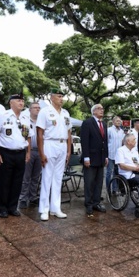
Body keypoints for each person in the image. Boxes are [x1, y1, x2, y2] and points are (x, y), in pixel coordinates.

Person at [0, 92, 31, 218]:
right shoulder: (3, 115)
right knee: (4, 181)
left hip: (20, 153)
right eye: (18, 100)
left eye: (22, 101)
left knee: (17, 182)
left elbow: (29, 136)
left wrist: (28, 152)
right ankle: (2, 208)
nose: (21, 103)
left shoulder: (26, 117)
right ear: (11, 102)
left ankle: (13, 207)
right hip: (5, 153)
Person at [36, 88, 72, 221]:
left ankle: (55, 208)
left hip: (62, 145)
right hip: (49, 144)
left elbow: (69, 133)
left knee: (58, 178)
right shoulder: (45, 111)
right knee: (47, 177)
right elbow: (39, 132)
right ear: (51, 98)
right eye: (59, 96)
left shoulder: (66, 113)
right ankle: (44, 209)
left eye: (62, 96)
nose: (61, 99)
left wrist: (69, 151)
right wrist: (41, 152)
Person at [80, 104, 108, 216]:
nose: (102, 110)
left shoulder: (104, 124)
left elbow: (104, 141)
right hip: (90, 158)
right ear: (93, 111)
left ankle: (97, 202)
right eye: (99, 109)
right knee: (89, 182)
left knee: (99, 182)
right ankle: (89, 204)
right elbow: (84, 141)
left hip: (101, 158)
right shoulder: (87, 123)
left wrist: (106, 156)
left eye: (102, 108)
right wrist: (86, 157)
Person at [19, 102, 42, 209]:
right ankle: (23, 198)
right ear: (30, 110)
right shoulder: (26, 121)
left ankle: (33, 197)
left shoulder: (42, 122)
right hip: (29, 150)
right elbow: (24, 136)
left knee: (36, 177)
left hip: (40, 151)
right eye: (35, 108)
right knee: (26, 176)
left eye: (38, 108)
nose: (37, 109)